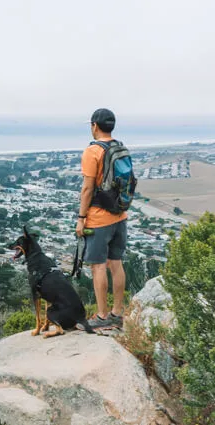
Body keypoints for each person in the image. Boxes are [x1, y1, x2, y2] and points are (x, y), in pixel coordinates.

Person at [76, 108, 126, 328]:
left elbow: (87, 189)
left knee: (97, 266)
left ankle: (103, 317)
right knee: (116, 263)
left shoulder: (92, 151)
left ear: (94, 126)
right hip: (120, 215)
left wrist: (81, 218)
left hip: (99, 218)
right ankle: (117, 313)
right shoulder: (120, 147)